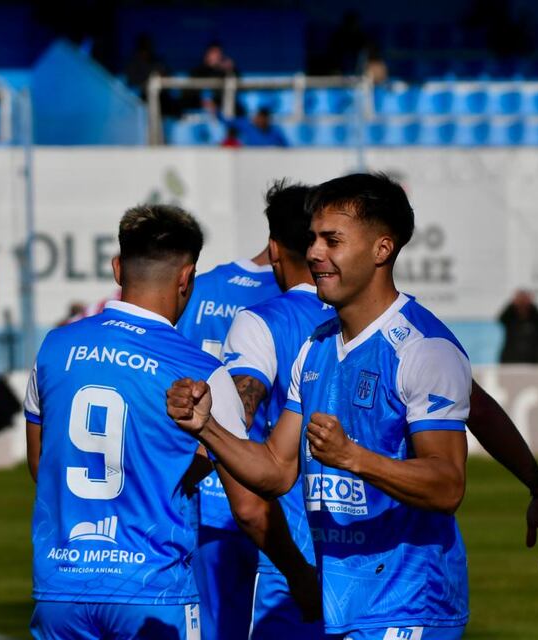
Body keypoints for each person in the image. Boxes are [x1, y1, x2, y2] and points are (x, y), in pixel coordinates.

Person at [168, 174, 538, 639]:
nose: (314, 253)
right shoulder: (315, 348)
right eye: (313, 239)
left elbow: (447, 484)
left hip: (408, 605)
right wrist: (207, 428)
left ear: (382, 249)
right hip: (342, 602)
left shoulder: (422, 348)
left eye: (332, 240)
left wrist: (353, 458)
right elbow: (275, 469)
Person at [23, 204, 315, 640]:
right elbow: (251, 506)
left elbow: (41, 465)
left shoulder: (54, 348)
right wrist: (298, 572)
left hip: (60, 590)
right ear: (186, 278)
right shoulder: (202, 372)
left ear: (118, 268)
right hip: (153, 591)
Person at [220, 181, 332, 639]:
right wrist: (537, 485)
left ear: (272, 248)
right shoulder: (382, 316)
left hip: (297, 552)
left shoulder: (262, 320)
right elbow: (475, 406)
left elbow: (234, 419)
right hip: (383, 560)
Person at [176, 234, 282, 639]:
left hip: (205, 486)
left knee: (212, 628)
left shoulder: (199, 287)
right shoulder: (301, 297)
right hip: (273, 495)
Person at [498, 290, 538, 363]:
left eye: (525, 300)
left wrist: (531, 305)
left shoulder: (534, 317)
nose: (523, 303)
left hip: (531, 358)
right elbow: (501, 319)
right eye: (521, 300)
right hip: (511, 357)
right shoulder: (511, 317)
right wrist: (513, 304)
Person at [211, 105, 289, 147]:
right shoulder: (247, 126)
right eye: (258, 117)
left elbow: (285, 148)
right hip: (250, 160)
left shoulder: (275, 132)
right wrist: (217, 112)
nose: (259, 120)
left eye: (263, 118)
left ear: (267, 119)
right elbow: (228, 122)